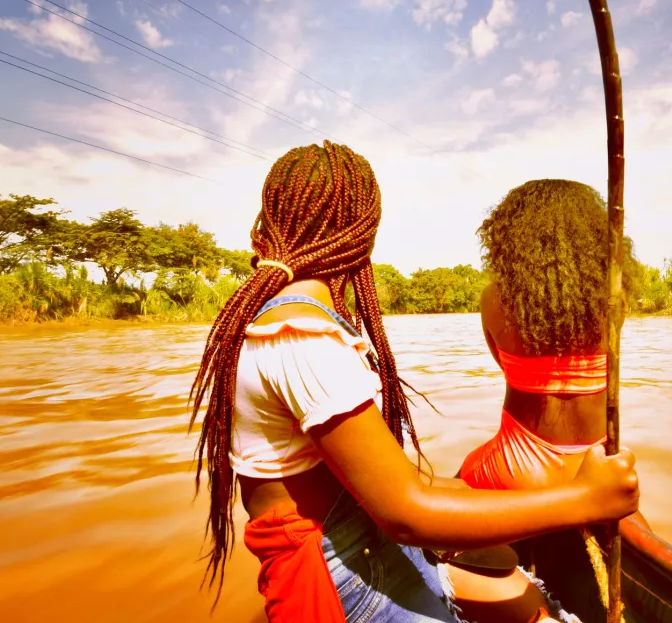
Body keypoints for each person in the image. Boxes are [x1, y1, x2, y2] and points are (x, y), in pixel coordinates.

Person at [189, 143, 640, 623]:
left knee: (528, 595)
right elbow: (404, 513)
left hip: (369, 547)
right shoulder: (302, 335)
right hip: (350, 577)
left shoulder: (289, 321)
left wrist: (463, 493)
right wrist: (584, 498)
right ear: (364, 234)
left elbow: (389, 487)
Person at [457, 179, 651, 622]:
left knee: (452, 493)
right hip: (598, 464)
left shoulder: (493, 301)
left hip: (516, 468)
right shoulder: (612, 303)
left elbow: (507, 370)